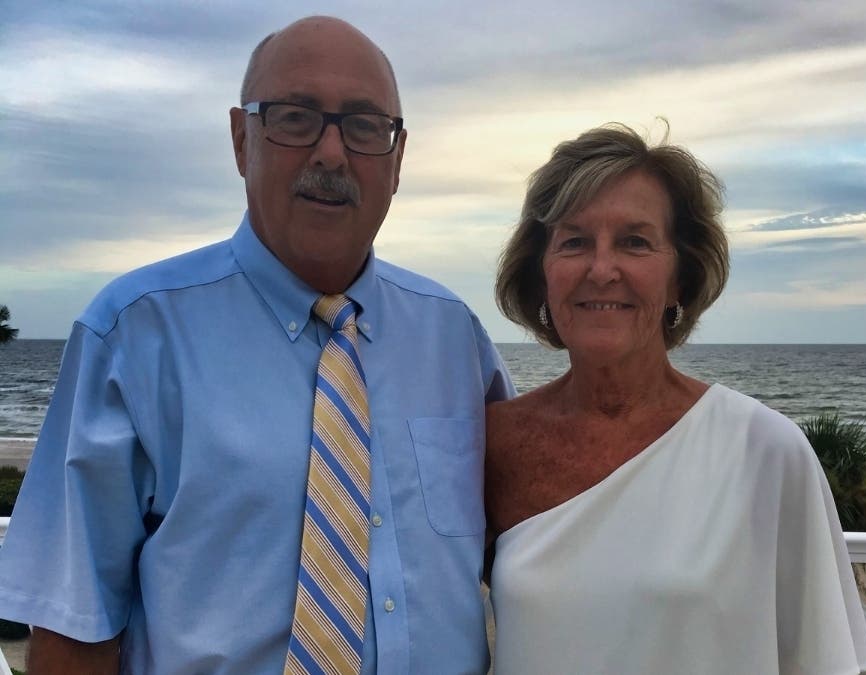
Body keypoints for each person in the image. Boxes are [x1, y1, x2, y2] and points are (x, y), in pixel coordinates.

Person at [0, 16, 512, 674]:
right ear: (242, 140)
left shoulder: (455, 340)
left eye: (363, 126)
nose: (331, 153)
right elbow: (74, 628)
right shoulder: (134, 336)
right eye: (296, 118)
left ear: (398, 158)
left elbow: (527, 548)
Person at [486, 123, 866, 674]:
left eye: (635, 241)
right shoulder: (494, 445)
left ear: (679, 278)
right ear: (541, 274)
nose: (602, 269)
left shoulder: (765, 451)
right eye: (574, 242)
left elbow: (822, 662)